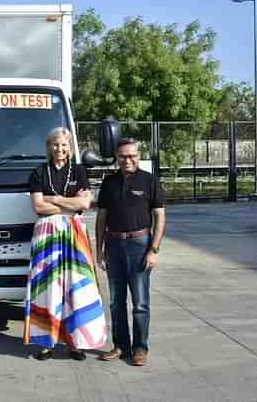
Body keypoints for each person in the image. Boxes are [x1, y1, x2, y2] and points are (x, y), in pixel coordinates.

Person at [23, 127, 106, 361]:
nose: (60, 149)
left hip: (74, 233)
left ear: (70, 148)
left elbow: (85, 205)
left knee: (78, 286)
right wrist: (71, 204)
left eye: (64, 145)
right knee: (47, 287)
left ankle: (76, 344)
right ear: (49, 147)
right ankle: (45, 343)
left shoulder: (79, 171)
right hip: (46, 233)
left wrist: (56, 199)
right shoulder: (39, 172)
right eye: (56, 145)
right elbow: (38, 207)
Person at [95, 137, 166, 367]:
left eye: (132, 155)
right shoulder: (109, 182)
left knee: (140, 302)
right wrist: (99, 249)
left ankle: (140, 349)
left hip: (139, 245)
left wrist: (153, 250)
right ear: (117, 158)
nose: (128, 160)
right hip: (113, 246)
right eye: (123, 156)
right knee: (116, 302)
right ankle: (121, 346)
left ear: (138, 156)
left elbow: (160, 217)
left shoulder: (149, 181)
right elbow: (101, 217)